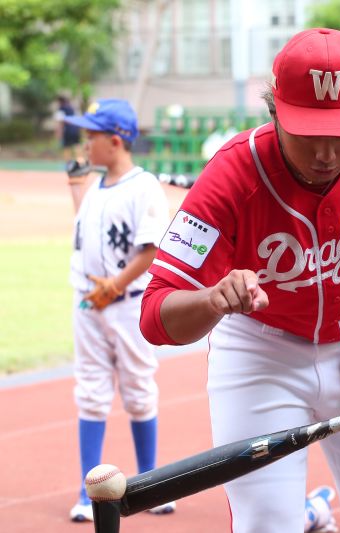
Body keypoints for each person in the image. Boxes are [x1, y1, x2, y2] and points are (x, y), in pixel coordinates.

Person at [139, 28, 340, 533]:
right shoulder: (231, 176)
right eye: (307, 130)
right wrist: (210, 300)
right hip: (260, 351)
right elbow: (155, 317)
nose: (324, 152)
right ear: (274, 112)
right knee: (267, 526)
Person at [63, 99, 174, 522]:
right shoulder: (96, 187)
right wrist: (76, 187)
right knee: (90, 394)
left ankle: (150, 481)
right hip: (88, 305)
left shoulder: (143, 188)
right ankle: (86, 490)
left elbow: (150, 251)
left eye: (91, 136)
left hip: (126, 306)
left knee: (138, 390)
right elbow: (89, 234)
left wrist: (115, 285)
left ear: (114, 141)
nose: (84, 143)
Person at [54, 95, 82, 164]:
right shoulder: (72, 108)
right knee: (77, 145)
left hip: (67, 130)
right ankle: (80, 162)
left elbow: (60, 122)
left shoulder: (61, 109)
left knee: (66, 147)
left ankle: (68, 163)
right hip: (75, 129)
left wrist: (58, 133)